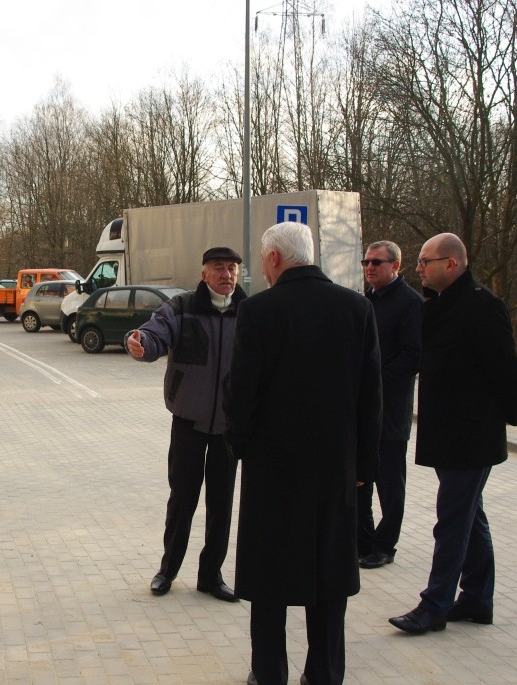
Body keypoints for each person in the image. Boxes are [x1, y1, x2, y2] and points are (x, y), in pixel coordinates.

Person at [224, 222, 382, 685]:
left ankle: (269, 673)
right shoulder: (357, 308)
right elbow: (371, 396)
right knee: (329, 579)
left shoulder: (258, 311)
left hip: (273, 472)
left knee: (270, 580)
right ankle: (326, 673)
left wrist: (242, 447)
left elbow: (241, 393)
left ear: (274, 259)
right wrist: (364, 469)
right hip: (336, 472)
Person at [388, 233, 517, 635]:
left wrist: (509, 418)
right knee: (470, 516)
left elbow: (507, 370)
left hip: (471, 438)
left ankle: (434, 606)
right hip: (448, 436)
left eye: (425, 261)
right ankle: (478, 600)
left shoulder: (483, 306)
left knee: (451, 521)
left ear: (451, 263)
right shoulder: (439, 306)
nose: (418, 268)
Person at [125, 246, 247, 603]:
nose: (227, 275)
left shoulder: (249, 312)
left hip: (229, 427)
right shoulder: (181, 308)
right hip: (188, 423)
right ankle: (168, 570)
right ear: (204, 273)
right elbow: (155, 333)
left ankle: (211, 577)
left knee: (221, 504)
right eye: (218, 268)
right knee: (182, 499)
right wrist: (142, 344)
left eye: (232, 268)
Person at [357, 241, 424, 569]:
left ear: (396, 266)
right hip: (361, 408)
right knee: (360, 477)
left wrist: (375, 380)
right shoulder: (365, 300)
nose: (369, 267)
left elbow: (414, 355)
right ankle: (363, 540)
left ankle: (385, 545)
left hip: (391, 408)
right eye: (366, 261)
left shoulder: (410, 303)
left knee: (389, 483)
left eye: (377, 263)